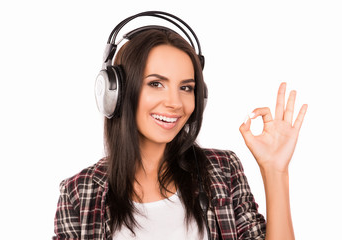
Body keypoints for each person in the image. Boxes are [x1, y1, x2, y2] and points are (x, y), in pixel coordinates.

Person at [53, 11, 307, 240]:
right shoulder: (79, 192)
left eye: (186, 88)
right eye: (155, 83)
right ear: (115, 93)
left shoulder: (223, 171)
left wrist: (275, 171)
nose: (175, 103)